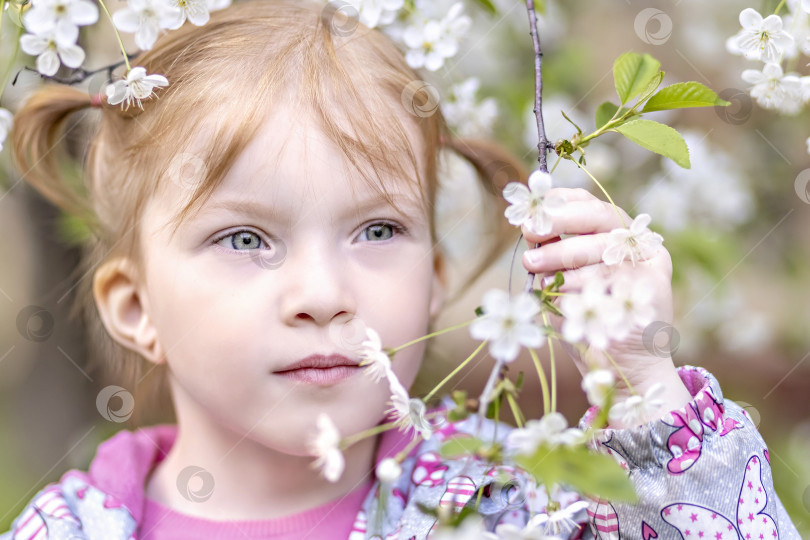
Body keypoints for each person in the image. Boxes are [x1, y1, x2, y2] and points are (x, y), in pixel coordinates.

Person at [2, 1, 799, 538]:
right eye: (245, 239)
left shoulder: (516, 501)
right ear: (136, 306)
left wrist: (645, 392)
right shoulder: (69, 530)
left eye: (377, 229)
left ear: (436, 280)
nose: (323, 295)